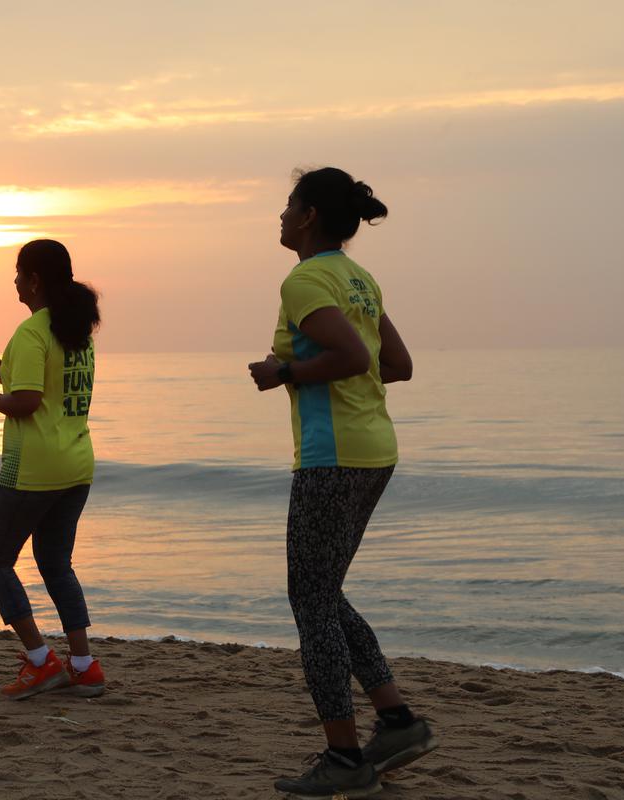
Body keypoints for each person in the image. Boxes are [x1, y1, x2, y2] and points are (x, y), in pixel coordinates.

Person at [247, 168, 436, 798]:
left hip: (332, 458)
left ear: (307, 217)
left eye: (288, 205)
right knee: (323, 594)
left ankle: (345, 757)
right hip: (375, 448)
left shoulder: (305, 279)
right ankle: (398, 721)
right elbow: (398, 366)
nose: (280, 215)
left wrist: (285, 372)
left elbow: (356, 360)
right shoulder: (360, 279)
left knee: (311, 602)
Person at [0, 239, 105, 700]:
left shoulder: (31, 333)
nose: (15, 281)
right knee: (56, 563)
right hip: (77, 463)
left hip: (33, 468)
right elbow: (52, 389)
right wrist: (9, 375)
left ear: (35, 279)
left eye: (19, 273)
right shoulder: (76, 333)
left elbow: (26, 403)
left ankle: (41, 662)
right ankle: (83, 666)